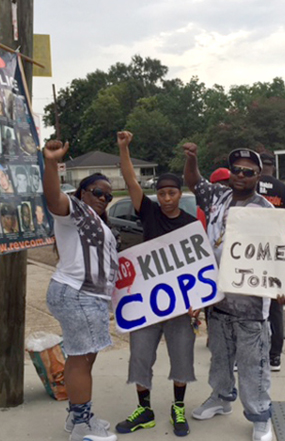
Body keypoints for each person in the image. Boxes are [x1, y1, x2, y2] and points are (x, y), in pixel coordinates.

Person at [183, 144, 276, 441]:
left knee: (253, 364)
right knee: (220, 357)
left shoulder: (266, 210)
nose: (240, 175)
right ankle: (221, 399)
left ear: (258, 175)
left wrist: (283, 287)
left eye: (248, 172)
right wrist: (193, 159)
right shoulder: (218, 197)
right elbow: (193, 181)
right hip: (218, 300)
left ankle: (260, 416)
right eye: (236, 169)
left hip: (251, 307)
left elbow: (279, 256)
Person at [114, 131, 197, 437]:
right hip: (147, 302)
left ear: (179, 193)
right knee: (140, 356)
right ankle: (144, 410)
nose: (165, 198)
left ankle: (178, 408)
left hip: (177, 303)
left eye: (171, 193)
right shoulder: (148, 213)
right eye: (161, 193)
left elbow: (199, 268)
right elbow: (130, 180)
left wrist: (196, 302)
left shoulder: (190, 224)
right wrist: (124, 149)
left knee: (182, 358)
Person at [42, 139, 118, 441]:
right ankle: (84, 427)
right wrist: (50, 164)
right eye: (98, 192)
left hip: (87, 297)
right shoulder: (75, 212)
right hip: (78, 294)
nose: (103, 197)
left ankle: (76, 417)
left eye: (108, 196)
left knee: (82, 358)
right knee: (81, 360)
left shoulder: (99, 223)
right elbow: (52, 197)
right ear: (83, 193)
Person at [257, 152, 285, 372]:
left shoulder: (249, 186)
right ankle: (275, 357)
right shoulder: (284, 190)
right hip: (278, 255)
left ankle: (245, 354)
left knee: (248, 306)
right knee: (275, 307)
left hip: (252, 254)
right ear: (272, 167)